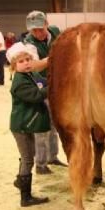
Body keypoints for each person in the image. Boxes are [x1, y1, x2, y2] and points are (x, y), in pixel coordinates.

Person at [23, 10, 67, 173]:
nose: (37, 32)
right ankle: (40, 164)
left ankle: (52, 157)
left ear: (47, 24)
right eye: (33, 30)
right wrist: (57, 55)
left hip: (58, 86)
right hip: (40, 88)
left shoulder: (55, 31)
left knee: (55, 125)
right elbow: (35, 65)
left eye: (40, 28)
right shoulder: (29, 43)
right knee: (41, 127)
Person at [7, 42, 50, 207]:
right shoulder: (19, 82)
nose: (25, 63)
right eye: (21, 61)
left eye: (27, 60)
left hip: (27, 124)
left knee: (28, 155)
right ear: (14, 65)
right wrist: (53, 86)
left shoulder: (31, 75)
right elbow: (36, 96)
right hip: (21, 126)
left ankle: (21, 181)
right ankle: (25, 197)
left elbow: (43, 82)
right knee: (28, 159)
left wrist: (52, 79)